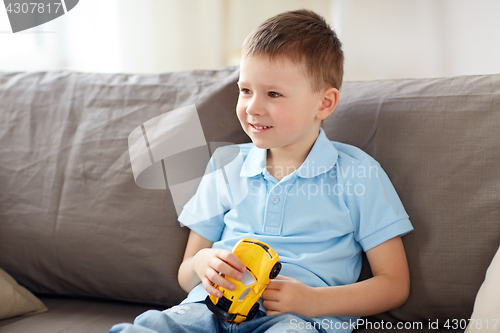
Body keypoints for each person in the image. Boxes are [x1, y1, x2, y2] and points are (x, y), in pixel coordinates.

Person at [109, 9, 413, 333]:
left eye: (273, 94)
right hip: (207, 310)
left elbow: (394, 284)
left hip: (297, 320)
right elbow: (186, 273)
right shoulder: (225, 166)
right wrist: (202, 265)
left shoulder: (358, 174)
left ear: (324, 103)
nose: (252, 107)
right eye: (245, 90)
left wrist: (313, 302)